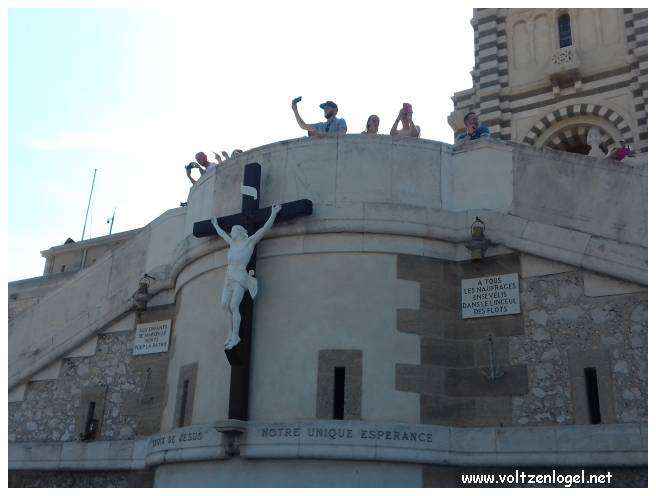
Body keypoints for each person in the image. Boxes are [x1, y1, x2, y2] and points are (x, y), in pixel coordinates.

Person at [210, 203, 281, 349]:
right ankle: (230, 332)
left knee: (234, 305)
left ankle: (235, 336)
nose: (231, 232)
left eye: (234, 230)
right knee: (224, 305)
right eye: (232, 231)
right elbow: (222, 234)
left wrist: (273, 213)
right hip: (228, 277)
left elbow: (264, 229)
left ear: (241, 232)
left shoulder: (249, 242)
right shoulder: (232, 244)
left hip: (240, 277)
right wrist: (216, 225)